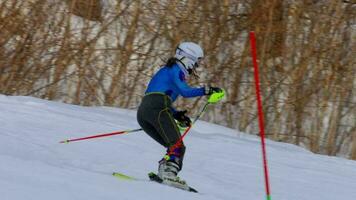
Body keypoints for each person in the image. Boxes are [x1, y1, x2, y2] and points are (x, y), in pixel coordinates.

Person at [137, 42, 222, 186]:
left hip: (145, 112)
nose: (196, 67)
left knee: (173, 145)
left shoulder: (170, 71)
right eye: (196, 62)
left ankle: (164, 172)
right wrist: (206, 90)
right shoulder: (175, 69)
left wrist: (176, 115)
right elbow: (185, 92)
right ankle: (169, 174)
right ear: (188, 57)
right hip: (157, 108)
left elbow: (161, 96)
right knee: (178, 146)